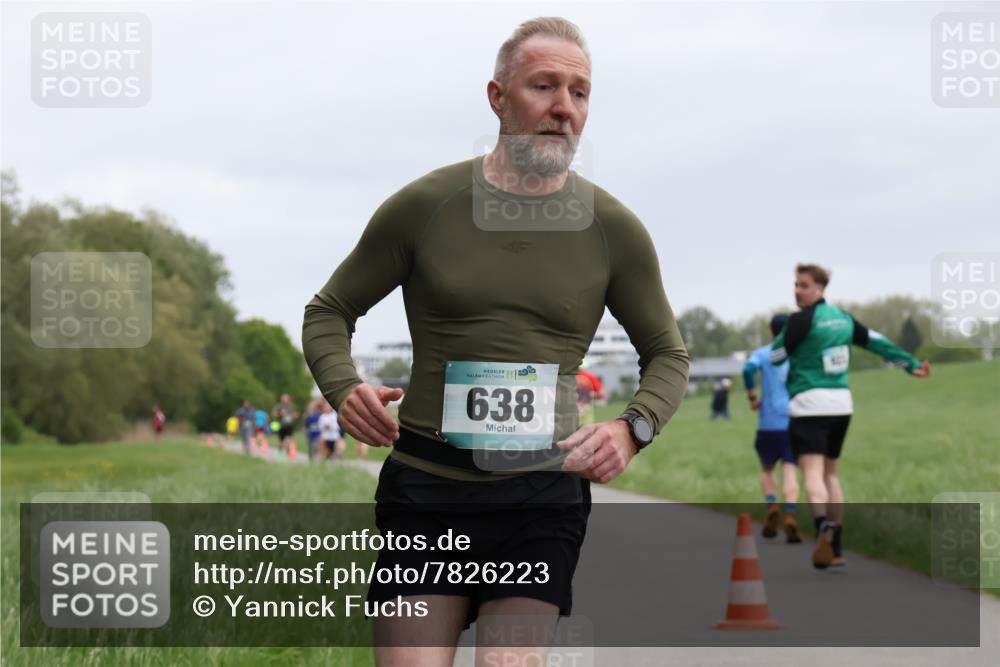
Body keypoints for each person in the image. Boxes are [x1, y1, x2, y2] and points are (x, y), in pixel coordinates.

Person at [302, 17, 689, 666]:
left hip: (540, 494)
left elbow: (668, 353)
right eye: (545, 86)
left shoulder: (613, 228)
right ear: (498, 97)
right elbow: (329, 311)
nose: (564, 108)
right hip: (426, 487)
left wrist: (632, 428)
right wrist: (345, 388)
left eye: (580, 92)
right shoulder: (426, 206)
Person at [771, 264, 930, 569]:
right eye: (796, 284)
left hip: (808, 403)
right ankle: (839, 548)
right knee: (832, 474)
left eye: (804, 285)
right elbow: (877, 341)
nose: (797, 290)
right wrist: (910, 364)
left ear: (820, 288)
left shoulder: (801, 321)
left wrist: (784, 340)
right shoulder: (843, 319)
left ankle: (822, 532)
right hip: (842, 404)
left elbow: (777, 356)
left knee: (813, 474)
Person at [743, 314, 801, 542]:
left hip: (767, 423)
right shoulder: (795, 353)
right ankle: (791, 515)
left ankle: (771, 506)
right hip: (792, 420)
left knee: (767, 470)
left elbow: (748, 370)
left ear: (771, 331)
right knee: (789, 470)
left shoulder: (763, 353)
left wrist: (752, 396)